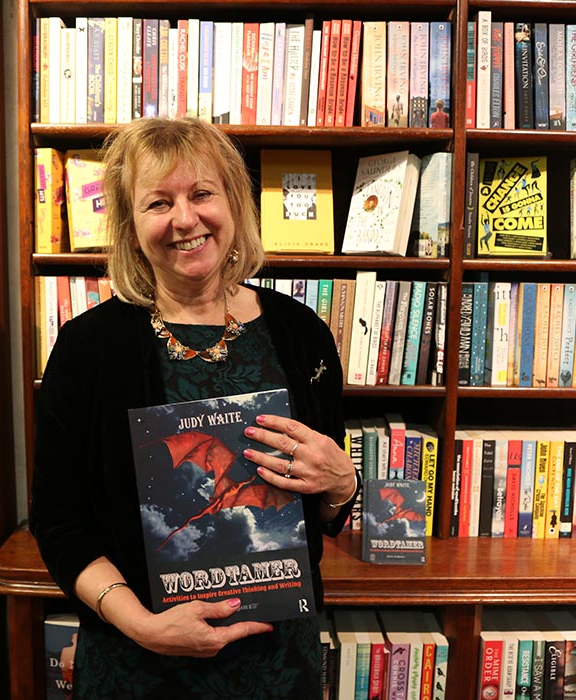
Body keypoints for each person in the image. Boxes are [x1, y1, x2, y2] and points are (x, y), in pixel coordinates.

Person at [30, 116, 360, 700]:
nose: (185, 219)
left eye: (202, 193)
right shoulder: (88, 347)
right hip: (140, 661)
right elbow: (60, 522)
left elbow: (327, 514)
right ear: (132, 226)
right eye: (159, 202)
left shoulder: (300, 332)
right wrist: (141, 624)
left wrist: (340, 483)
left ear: (233, 201)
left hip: (277, 661)